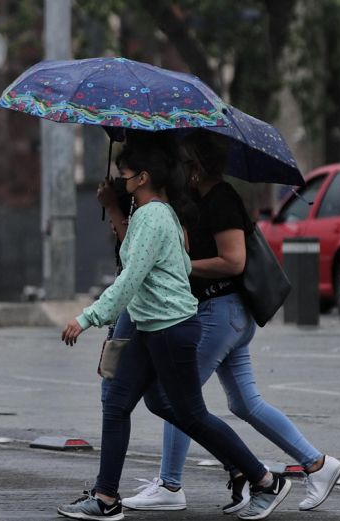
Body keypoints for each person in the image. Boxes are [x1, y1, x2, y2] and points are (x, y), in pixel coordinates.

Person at [56, 138, 291, 521]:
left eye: (125, 174)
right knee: (120, 403)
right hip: (154, 328)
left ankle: (265, 480)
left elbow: (129, 279)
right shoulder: (158, 213)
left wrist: (87, 318)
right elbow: (170, 268)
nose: (121, 179)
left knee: (191, 413)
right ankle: (106, 498)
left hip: (170, 330)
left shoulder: (153, 217)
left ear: (143, 177)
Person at [120, 133, 340, 514]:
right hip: (225, 313)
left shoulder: (222, 199)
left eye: (186, 164)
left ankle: (173, 484)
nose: (181, 171)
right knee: (244, 402)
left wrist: (180, 266)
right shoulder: (199, 202)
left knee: (178, 397)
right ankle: (318, 464)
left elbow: (234, 260)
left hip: (221, 313)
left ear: (197, 166)